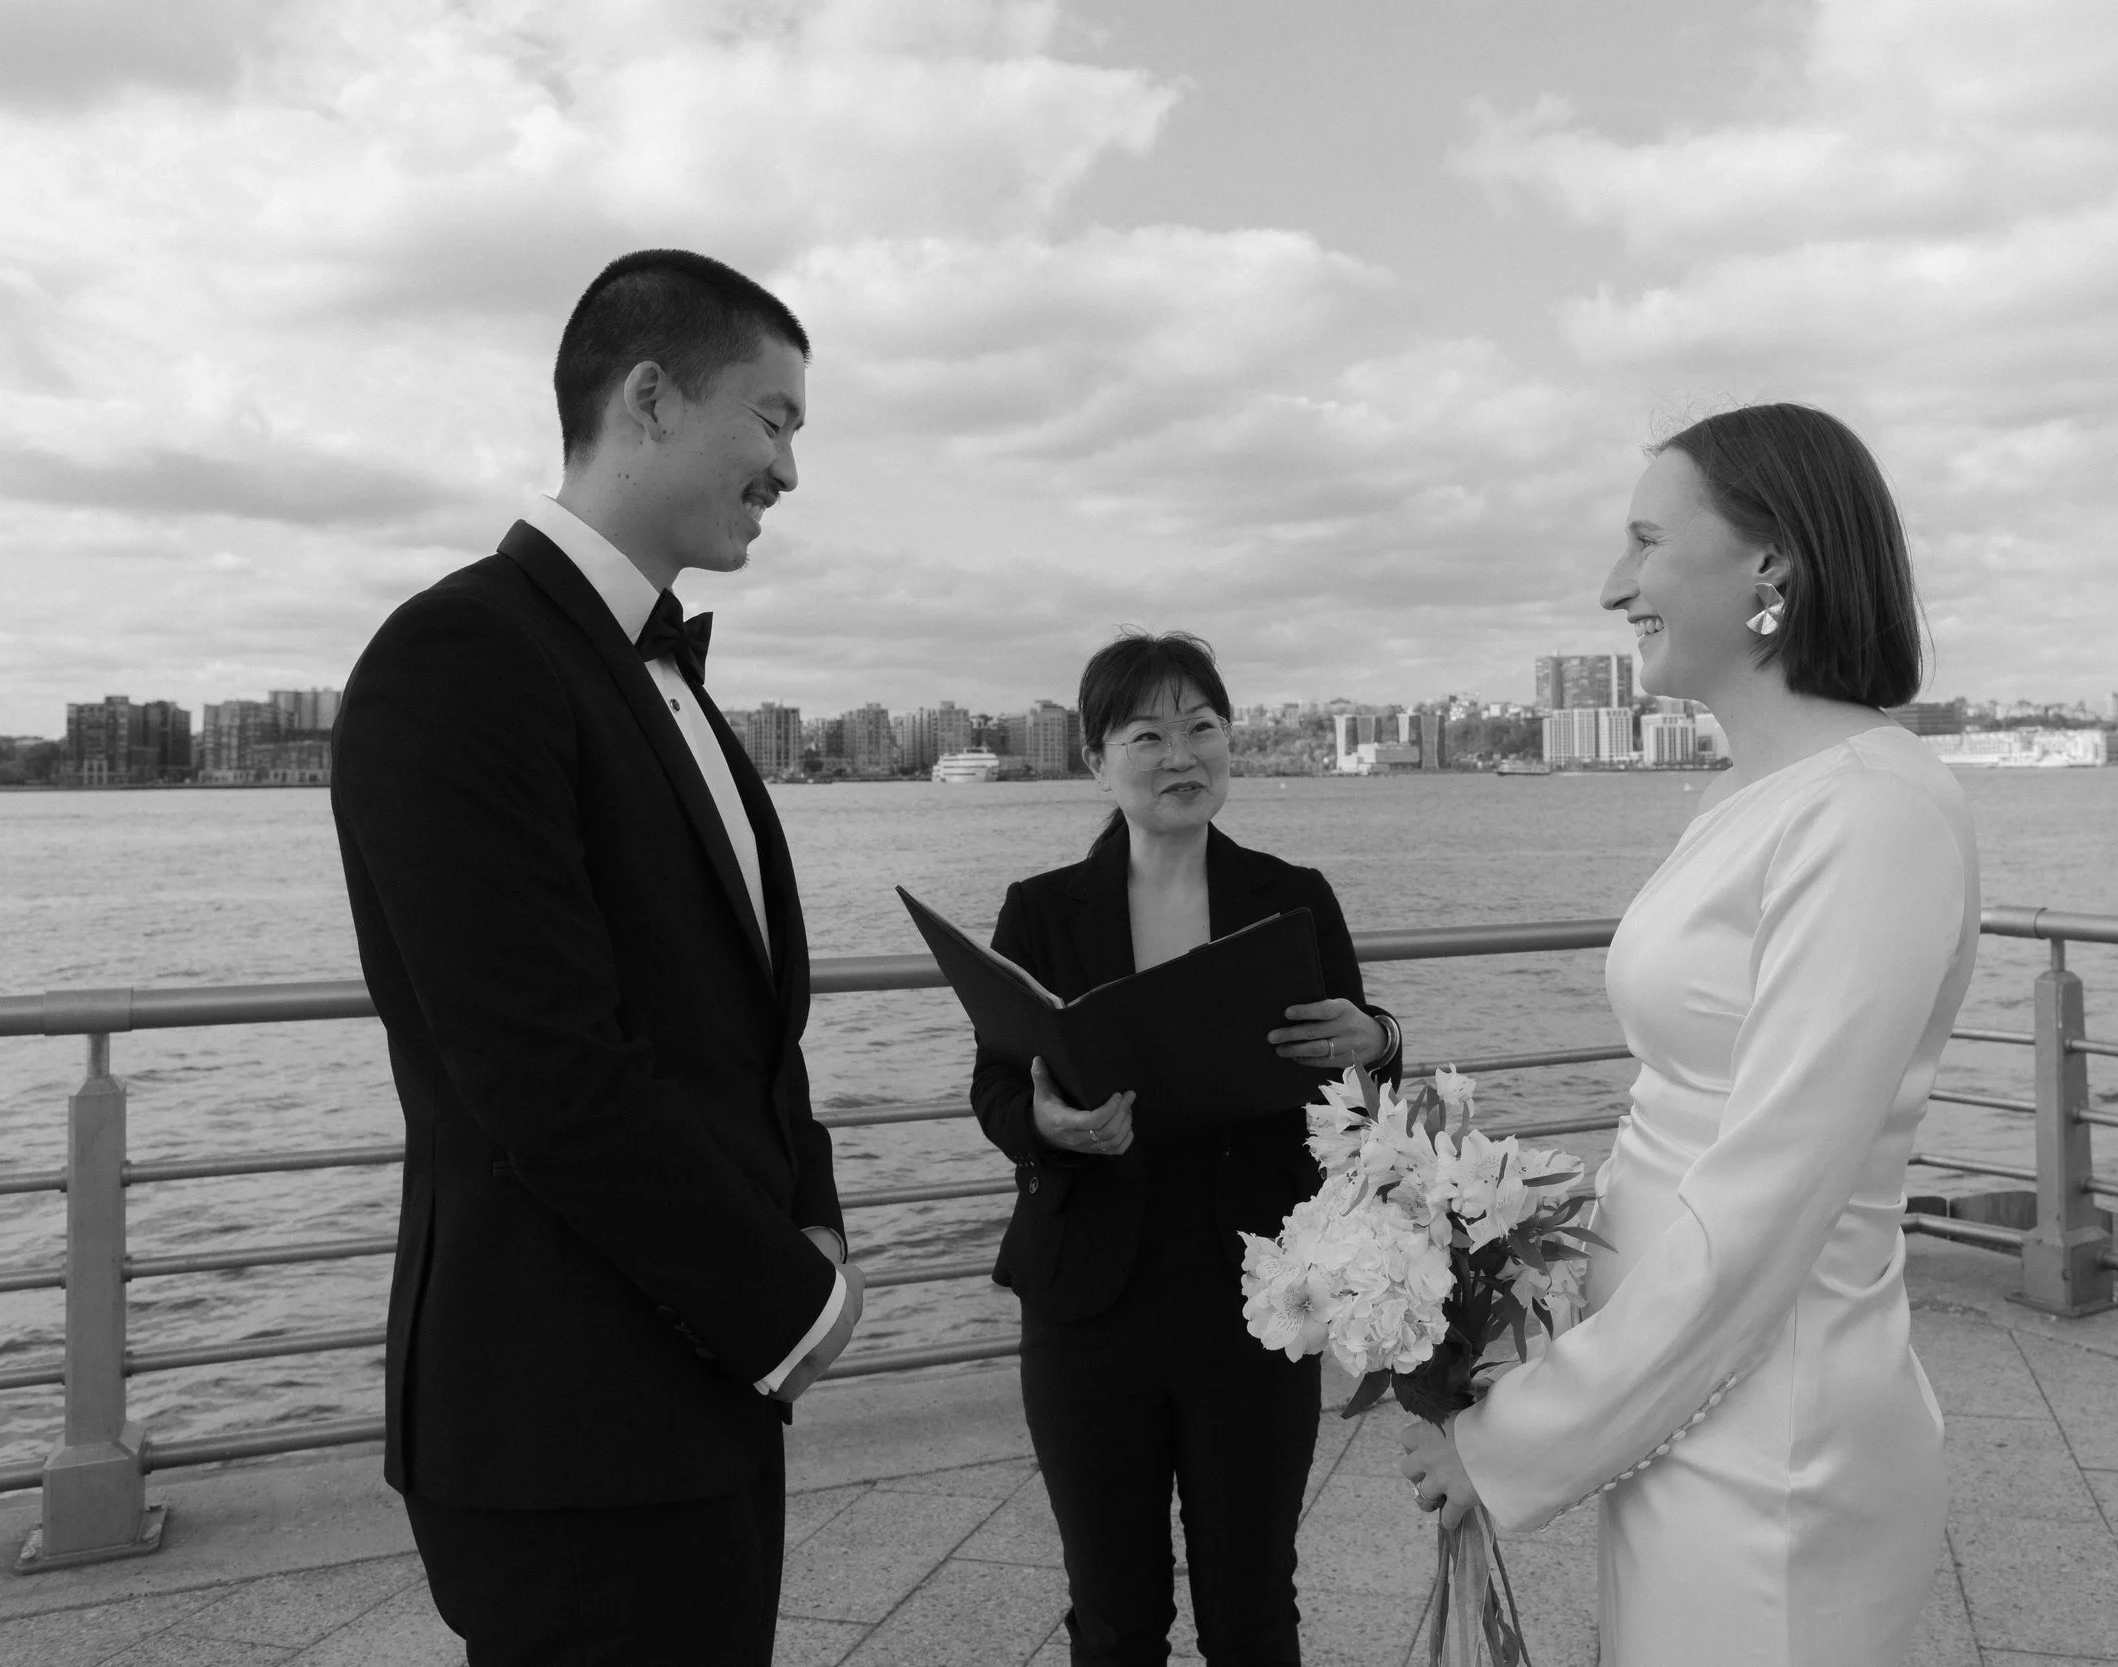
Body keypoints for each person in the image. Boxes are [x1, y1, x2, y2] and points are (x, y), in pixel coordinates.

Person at [331, 248, 863, 1664]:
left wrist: (810, 1223)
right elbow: (541, 1068)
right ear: (647, 398)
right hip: (560, 1420)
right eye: (775, 417)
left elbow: (747, 1025)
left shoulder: (661, 675)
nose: (790, 468)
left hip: (702, 1391)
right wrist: (791, 1304)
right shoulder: (457, 660)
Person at [1399, 404, 1979, 1666]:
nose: (1615, 587)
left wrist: (1510, 1441)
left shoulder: (1870, 813)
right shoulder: (1745, 793)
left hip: (1776, 1435)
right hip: (1685, 1408)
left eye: (1646, 541)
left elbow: (1764, 1209)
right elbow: (1680, 1118)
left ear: (1771, 562)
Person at [969, 631, 1405, 1667]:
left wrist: (1378, 1036)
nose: (1182, 753)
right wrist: (1050, 1127)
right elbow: (996, 1087)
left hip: (1257, 1296)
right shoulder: (1041, 910)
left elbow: (1353, 1074)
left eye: (1202, 726)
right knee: (1114, 1613)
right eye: (1148, 731)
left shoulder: (1291, 895)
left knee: (1252, 1605)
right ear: (1095, 760)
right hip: (1089, 1306)